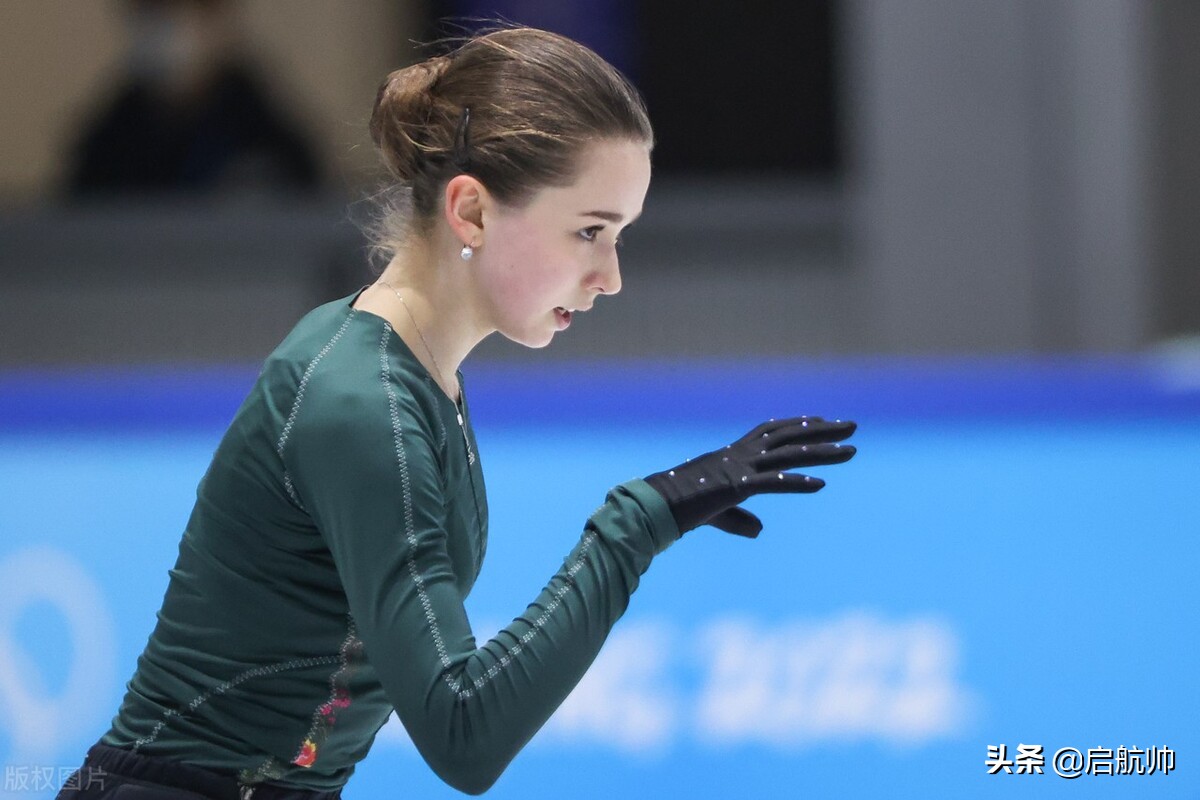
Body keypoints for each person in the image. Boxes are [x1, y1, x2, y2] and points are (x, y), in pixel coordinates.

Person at [57, 26, 857, 799]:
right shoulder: (359, 399)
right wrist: (636, 523)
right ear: (470, 212)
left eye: (620, 237)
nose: (610, 277)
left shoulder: (409, 371)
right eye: (589, 232)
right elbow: (464, 733)